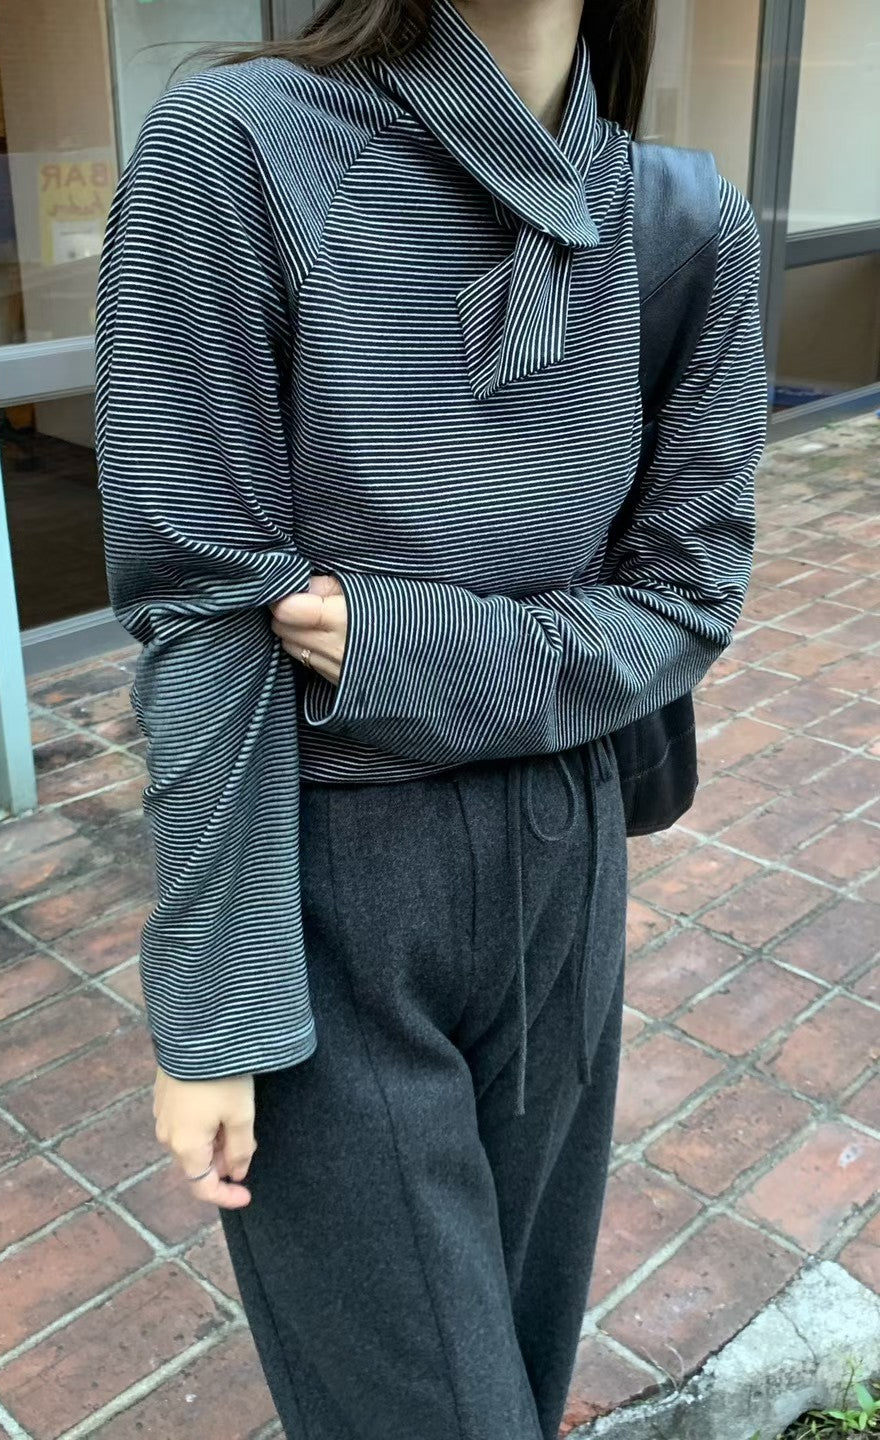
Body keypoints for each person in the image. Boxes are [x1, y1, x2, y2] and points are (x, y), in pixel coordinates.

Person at [94, 0, 769, 1435]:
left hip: (568, 861)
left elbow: (688, 598)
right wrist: (211, 1002)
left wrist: (415, 644)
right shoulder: (235, 148)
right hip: (325, 870)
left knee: (517, 1374)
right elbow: (203, 602)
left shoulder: (681, 220)